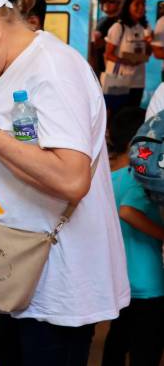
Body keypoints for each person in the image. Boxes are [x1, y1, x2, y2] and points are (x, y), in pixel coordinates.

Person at [0, 0, 129, 364]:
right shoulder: (11, 68)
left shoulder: (52, 69)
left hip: (55, 283)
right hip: (15, 274)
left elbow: (72, 179)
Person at [103, 108, 164, 366]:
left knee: (117, 340)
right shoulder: (139, 182)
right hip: (149, 284)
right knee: (146, 349)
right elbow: (128, 211)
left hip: (120, 280)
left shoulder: (110, 178)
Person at [105, 0, 151, 109]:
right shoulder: (118, 27)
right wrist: (126, 61)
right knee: (117, 113)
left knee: (132, 112)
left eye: (143, 4)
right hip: (119, 79)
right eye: (137, 4)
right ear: (127, 6)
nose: (141, 7)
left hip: (138, 80)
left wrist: (149, 43)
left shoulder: (145, 27)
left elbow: (147, 53)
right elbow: (108, 54)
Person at [91, 0, 125, 78]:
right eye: (104, 1)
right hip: (103, 67)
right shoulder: (103, 20)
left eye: (111, 1)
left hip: (114, 69)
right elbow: (95, 42)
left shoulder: (120, 22)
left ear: (121, 4)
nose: (106, 4)